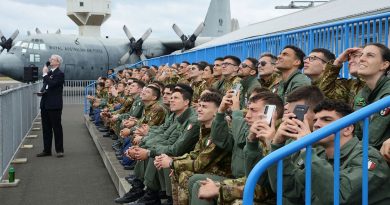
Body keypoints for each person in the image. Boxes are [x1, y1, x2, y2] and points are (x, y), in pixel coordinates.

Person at [269, 99, 390, 204]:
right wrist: (277, 144)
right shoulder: (319, 155)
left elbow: (339, 196)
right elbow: (289, 187)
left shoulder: (368, 157)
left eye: (326, 119)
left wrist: (306, 148)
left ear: (347, 129)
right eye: (315, 120)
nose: (317, 125)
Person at [353, 43, 390, 150]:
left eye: (370, 55)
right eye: (361, 55)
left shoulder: (388, 92)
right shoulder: (362, 93)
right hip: (366, 151)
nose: (361, 59)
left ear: (384, 65)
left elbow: (373, 138)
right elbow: (357, 132)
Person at [37, 54, 65, 158]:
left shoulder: (60, 74)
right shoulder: (49, 73)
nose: (50, 60)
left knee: (56, 128)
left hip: (54, 105)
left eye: (52, 59)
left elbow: (53, 84)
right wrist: (42, 91)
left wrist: (44, 74)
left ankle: (59, 150)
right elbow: (46, 85)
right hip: (45, 104)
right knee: (46, 128)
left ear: (58, 62)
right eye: (50, 59)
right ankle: (46, 150)